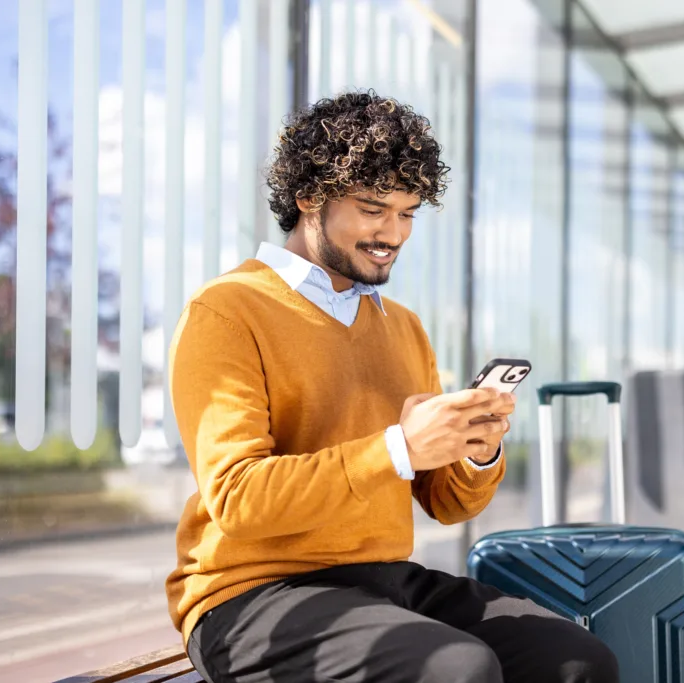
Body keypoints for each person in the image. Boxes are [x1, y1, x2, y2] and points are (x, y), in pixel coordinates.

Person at [166, 92, 619, 683]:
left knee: (579, 659)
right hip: (251, 595)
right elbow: (238, 500)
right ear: (309, 199)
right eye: (373, 209)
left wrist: (477, 450)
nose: (394, 233)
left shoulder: (401, 326)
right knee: (457, 669)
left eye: (407, 213)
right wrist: (398, 448)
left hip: (380, 581)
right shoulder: (227, 311)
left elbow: (447, 503)